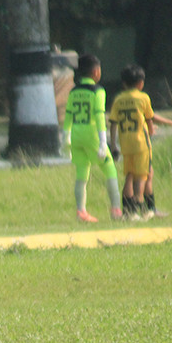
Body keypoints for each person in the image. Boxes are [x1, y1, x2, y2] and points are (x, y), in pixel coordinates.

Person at [107, 64, 172, 220]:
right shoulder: (143, 98)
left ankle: (132, 211)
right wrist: (171, 123)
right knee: (142, 176)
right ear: (140, 83)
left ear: (123, 83)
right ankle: (139, 210)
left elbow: (113, 122)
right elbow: (150, 118)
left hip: (126, 143)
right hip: (141, 143)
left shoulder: (119, 99)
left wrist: (114, 144)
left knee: (130, 175)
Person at [62, 54, 123, 222]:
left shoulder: (74, 91)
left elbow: (68, 115)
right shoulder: (98, 91)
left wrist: (65, 137)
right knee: (109, 169)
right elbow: (99, 116)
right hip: (92, 135)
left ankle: (81, 211)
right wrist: (104, 142)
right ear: (96, 71)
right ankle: (116, 209)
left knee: (81, 173)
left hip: (76, 135)